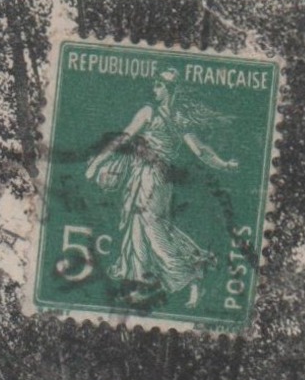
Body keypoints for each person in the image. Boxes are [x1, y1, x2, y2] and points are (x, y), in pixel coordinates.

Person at [84, 68, 239, 309]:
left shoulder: (161, 115)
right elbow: (124, 139)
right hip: (147, 177)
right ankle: (141, 287)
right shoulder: (169, 117)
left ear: (169, 90)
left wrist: (224, 164)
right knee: (140, 230)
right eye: (154, 84)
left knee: (153, 231)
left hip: (152, 178)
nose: (154, 89)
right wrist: (98, 161)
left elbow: (200, 150)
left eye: (158, 85)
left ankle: (189, 274)